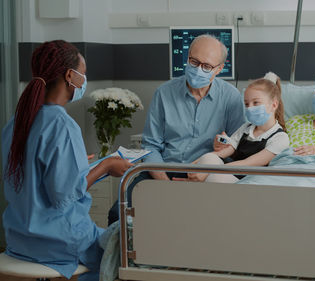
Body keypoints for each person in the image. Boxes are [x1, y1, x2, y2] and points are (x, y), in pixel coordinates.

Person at [1, 40, 132, 281]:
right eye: (83, 74)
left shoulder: (17, 121)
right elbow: (64, 196)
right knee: (127, 245)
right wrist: (106, 166)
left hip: (19, 239)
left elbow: (32, 175)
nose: (85, 79)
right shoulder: (61, 125)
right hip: (58, 243)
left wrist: (79, 164)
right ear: (71, 76)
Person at [107, 34, 246, 224]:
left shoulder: (231, 97)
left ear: (219, 69)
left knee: (212, 219)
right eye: (194, 61)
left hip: (206, 173)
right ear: (187, 58)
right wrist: (164, 183)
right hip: (163, 170)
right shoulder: (164, 93)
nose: (198, 69)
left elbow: (239, 146)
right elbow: (151, 145)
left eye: (206, 66)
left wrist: (223, 146)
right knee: (117, 214)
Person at [186, 72, 289, 183]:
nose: (250, 108)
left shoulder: (280, 138)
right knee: (209, 158)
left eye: (256, 103)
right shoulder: (246, 128)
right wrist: (194, 164)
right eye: (246, 104)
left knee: (216, 177)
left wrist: (211, 171)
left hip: (250, 180)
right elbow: (224, 152)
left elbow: (249, 163)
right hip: (231, 173)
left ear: (274, 105)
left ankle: (195, 187)